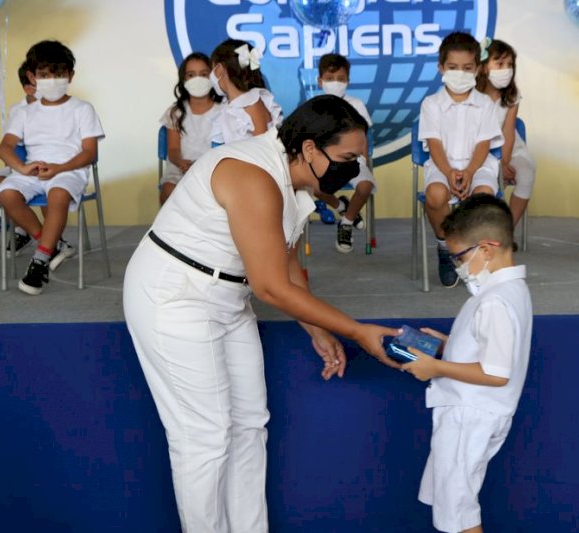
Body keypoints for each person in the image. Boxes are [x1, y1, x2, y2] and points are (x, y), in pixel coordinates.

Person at [123, 95, 400, 533]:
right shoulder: (253, 176)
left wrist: (317, 329)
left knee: (251, 425)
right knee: (205, 438)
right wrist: (355, 331)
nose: (354, 170)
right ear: (310, 149)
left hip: (229, 296)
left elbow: (285, 261)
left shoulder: (294, 180)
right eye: (348, 158)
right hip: (174, 295)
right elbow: (271, 286)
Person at [402, 194, 532, 533]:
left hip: (470, 415)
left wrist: (437, 368)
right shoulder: (509, 290)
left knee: (459, 513)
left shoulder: (494, 301)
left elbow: (495, 373)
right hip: (472, 413)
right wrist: (450, 345)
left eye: (460, 256)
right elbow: (494, 350)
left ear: (487, 249)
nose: (458, 266)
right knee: (455, 503)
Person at [0, 40, 105, 295]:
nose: (52, 80)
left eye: (59, 74)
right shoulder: (24, 112)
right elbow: (5, 148)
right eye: (44, 75)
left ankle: (40, 260)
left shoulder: (82, 109)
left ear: (71, 75)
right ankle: (49, 243)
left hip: (69, 170)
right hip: (34, 171)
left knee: (57, 195)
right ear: (33, 77)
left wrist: (60, 167)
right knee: (5, 192)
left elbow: (89, 152)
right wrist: (23, 168)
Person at [419, 31, 503, 288]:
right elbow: (434, 144)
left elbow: (483, 144)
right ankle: (446, 247)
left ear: (478, 68)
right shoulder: (431, 104)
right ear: (441, 68)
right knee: (435, 195)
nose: (460, 73)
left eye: (467, 68)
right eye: (453, 67)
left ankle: (472, 253)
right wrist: (449, 173)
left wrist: (468, 172)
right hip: (442, 165)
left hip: (477, 166)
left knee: (482, 197)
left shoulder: (486, 104)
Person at [313, 53, 376, 253]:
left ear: (348, 80)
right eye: (330, 79)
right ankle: (342, 207)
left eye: (341, 79)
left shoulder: (356, 105)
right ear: (320, 80)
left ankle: (346, 223)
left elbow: (364, 137)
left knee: (365, 186)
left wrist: (363, 162)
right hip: (325, 164)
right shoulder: (314, 107)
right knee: (315, 188)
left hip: (353, 163)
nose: (335, 83)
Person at [477, 38, 537, 228]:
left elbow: (508, 131)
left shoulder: (511, 95)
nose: (506, 69)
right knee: (485, 183)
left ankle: (505, 231)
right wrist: (494, 164)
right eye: (500, 63)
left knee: (526, 173)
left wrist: (504, 162)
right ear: (485, 66)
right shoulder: (472, 94)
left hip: (508, 149)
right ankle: (479, 231)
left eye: (510, 65)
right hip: (479, 152)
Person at [159, 51, 222, 204]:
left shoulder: (223, 111)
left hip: (211, 170)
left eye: (203, 74)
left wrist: (200, 166)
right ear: (183, 79)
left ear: (212, 77)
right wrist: (182, 163)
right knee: (169, 191)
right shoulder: (176, 112)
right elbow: (173, 149)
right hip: (180, 169)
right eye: (191, 75)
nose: (197, 79)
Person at [0, 60, 39, 256]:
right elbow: (8, 147)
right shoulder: (17, 111)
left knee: (47, 183)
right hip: (21, 165)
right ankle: (25, 230)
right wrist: (17, 166)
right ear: (28, 87)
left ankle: (53, 239)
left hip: (48, 167)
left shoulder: (62, 109)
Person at [209, 38, 282, 145]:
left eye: (212, 68)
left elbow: (263, 149)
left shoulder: (252, 103)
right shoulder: (227, 106)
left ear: (219, 69)